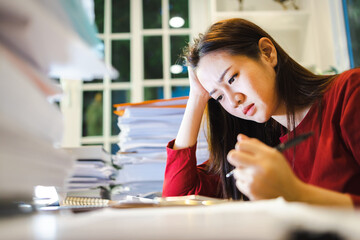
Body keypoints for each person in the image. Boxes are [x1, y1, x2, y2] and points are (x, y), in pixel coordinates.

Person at [162, 18, 360, 207]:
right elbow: (177, 199)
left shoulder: (350, 92)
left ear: (267, 53)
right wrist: (197, 97)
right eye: (219, 97)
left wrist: (297, 194)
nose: (233, 100)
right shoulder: (265, 143)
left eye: (232, 79)